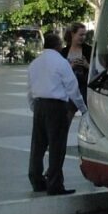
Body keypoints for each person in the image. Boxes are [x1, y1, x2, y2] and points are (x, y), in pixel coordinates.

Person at [27, 32, 87, 196]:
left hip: (39, 105)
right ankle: (54, 184)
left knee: (37, 146)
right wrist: (83, 109)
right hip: (57, 107)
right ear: (58, 46)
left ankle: (36, 180)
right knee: (57, 146)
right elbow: (72, 88)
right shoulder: (61, 63)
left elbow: (29, 89)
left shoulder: (35, 63)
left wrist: (35, 107)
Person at [59, 22, 91, 99]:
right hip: (67, 89)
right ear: (73, 34)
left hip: (84, 89)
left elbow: (97, 71)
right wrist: (71, 66)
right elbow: (58, 73)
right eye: (81, 35)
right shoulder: (64, 51)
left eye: (84, 35)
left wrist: (87, 65)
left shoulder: (89, 50)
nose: (83, 37)